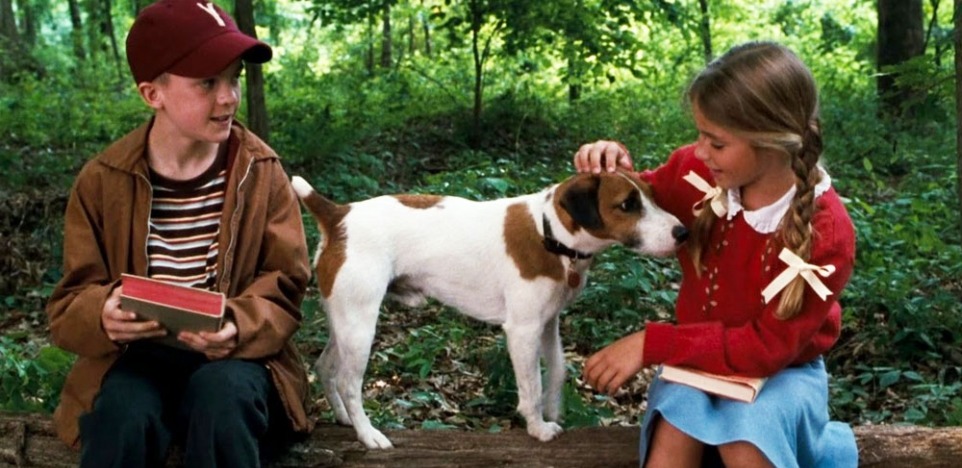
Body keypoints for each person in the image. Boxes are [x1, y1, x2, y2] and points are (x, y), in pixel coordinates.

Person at [45, 1, 312, 466]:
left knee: (223, 397)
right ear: (153, 93)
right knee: (122, 413)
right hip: (138, 357)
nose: (228, 97)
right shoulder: (103, 179)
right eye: (208, 82)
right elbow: (70, 303)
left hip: (237, 361)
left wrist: (238, 324)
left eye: (233, 79)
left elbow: (286, 286)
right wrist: (102, 314)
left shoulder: (261, 172)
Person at [574, 41, 857, 467]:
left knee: (748, 441)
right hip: (694, 366)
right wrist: (611, 165)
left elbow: (765, 348)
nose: (701, 151)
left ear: (771, 142)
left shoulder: (825, 232)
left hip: (785, 372)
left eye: (717, 142)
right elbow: (637, 202)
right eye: (700, 135)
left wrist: (653, 343)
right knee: (675, 432)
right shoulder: (695, 170)